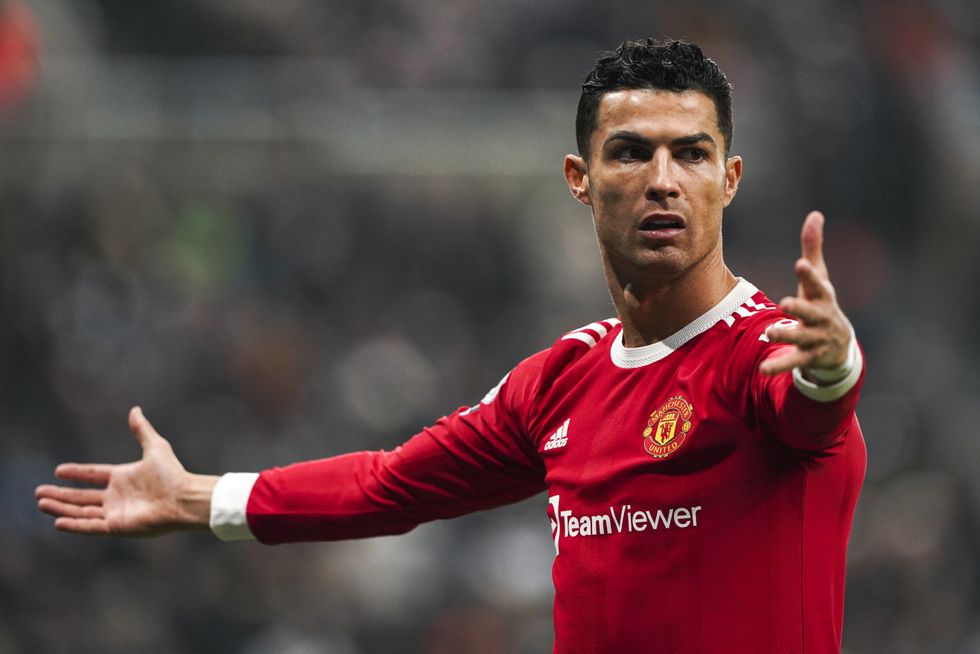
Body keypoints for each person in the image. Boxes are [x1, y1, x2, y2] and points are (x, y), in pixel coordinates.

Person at [36, 38, 866, 653]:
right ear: (580, 178)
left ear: (729, 179)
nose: (662, 178)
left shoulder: (766, 348)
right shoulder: (562, 381)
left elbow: (811, 409)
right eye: (630, 151)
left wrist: (834, 362)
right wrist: (199, 499)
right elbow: (389, 485)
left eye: (691, 153)